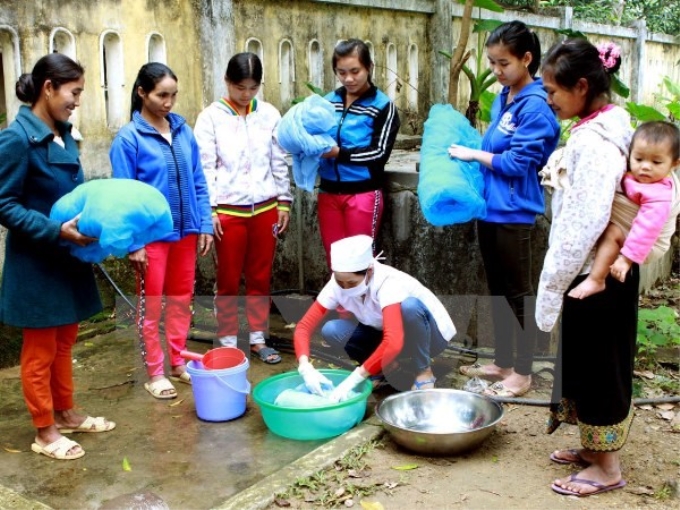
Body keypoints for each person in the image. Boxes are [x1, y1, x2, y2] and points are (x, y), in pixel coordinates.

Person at [0, 53, 115, 460]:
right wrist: (54, 230)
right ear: (48, 88)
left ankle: (65, 412)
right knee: (39, 351)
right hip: (37, 262)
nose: (77, 100)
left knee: (65, 342)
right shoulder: (16, 139)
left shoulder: (64, 135)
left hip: (68, 257)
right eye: (74, 92)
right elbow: (4, 203)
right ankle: (44, 430)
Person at [536, 38, 636, 497]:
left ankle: (607, 468)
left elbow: (584, 220)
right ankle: (593, 451)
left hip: (597, 273)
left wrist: (555, 279)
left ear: (581, 86)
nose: (549, 100)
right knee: (583, 357)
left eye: (553, 92)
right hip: (595, 267)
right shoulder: (601, 125)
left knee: (599, 363)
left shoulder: (596, 143)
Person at [448, 21, 560, 398]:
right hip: (490, 209)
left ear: (527, 59)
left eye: (503, 64)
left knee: (518, 293)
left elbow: (515, 163)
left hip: (515, 212)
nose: (496, 72)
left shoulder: (537, 107)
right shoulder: (505, 97)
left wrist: (474, 154)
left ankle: (524, 373)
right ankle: (503, 362)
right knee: (497, 290)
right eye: (492, 63)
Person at [109, 63, 213, 399]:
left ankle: (178, 361)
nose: (169, 102)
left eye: (173, 95)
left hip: (185, 232)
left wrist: (205, 224)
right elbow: (123, 196)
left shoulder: (183, 131)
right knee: (151, 307)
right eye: (161, 95)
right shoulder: (128, 139)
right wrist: (134, 242)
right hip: (151, 239)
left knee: (181, 303)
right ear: (142, 92)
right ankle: (155, 372)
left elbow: (198, 181)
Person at [194, 52, 292, 364]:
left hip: (265, 209)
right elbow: (205, 168)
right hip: (228, 212)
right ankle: (225, 340)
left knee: (261, 276)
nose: (246, 94)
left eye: (252, 88)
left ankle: (258, 338)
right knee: (228, 278)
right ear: (227, 82)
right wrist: (209, 212)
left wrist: (284, 202)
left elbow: (279, 160)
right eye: (240, 87)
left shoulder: (270, 115)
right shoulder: (210, 117)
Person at [293, 235, 457, 401]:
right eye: (340, 282)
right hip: (388, 334)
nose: (345, 288)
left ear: (369, 271)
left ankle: (423, 371)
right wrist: (305, 366)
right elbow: (304, 327)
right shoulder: (336, 285)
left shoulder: (388, 282)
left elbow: (393, 342)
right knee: (332, 330)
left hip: (429, 337)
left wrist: (355, 378)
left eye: (351, 283)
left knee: (410, 307)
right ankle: (384, 368)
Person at [567, 121, 679, 299]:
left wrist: (626, 259)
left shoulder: (660, 194)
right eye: (639, 159)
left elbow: (646, 229)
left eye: (656, 162)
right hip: (634, 233)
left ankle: (597, 279)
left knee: (613, 232)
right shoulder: (634, 174)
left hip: (647, 244)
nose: (645, 166)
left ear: (674, 164)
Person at [318, 39, 400, 267]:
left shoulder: (383, 106)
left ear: (369, 67)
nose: (348, 79)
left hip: (363, 194)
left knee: (360, 262)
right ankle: (342, 304)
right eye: (341, 72)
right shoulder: (327, 102)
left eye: (355, 71)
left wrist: (338, 153)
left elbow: (379, 152)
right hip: (328, 193)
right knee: (335, 259)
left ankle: (365, 304)